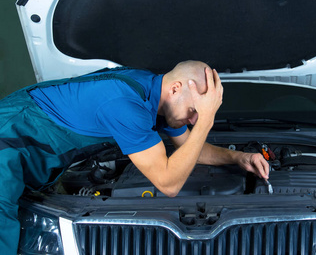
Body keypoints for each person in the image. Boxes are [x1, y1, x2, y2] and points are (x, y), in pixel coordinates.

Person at [0, 60, 269, 254]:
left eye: (198, 115)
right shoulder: (126, 106)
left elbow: (191, 147)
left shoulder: (156, 95)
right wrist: (207, 119)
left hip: (30, 147)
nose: (194, 120)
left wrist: (239, 158)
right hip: (8, 138)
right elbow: (168, 184)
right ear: (176, 88)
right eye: (194, 111)